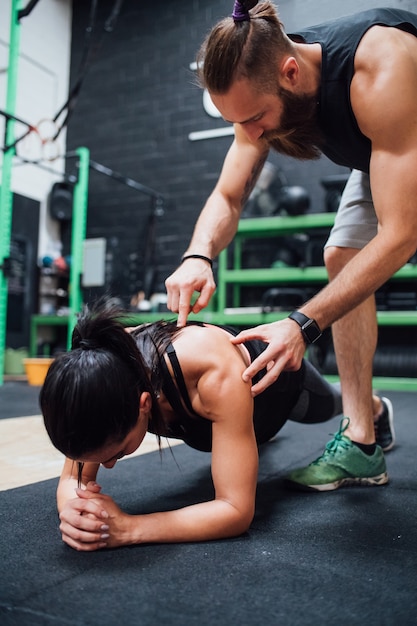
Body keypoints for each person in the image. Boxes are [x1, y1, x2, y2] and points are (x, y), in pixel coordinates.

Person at [164, 1, 415, 490]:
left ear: (291, 71)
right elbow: (229, 194)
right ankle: (363, 439)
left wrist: (301, 325)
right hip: (385, 155)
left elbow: (401, 234)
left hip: (406, 132)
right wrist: (198, 255)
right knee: (342, 253)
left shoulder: (379, 65)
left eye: (256, 118)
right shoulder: (259, 83)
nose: (253, 135)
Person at [40, 302, 388, 551]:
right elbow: (74, 478)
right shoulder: (100, 373)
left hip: (274, 392)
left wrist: (129, 529)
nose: (108, 465)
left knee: (336, 402)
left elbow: (235, 512)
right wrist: (75, 512)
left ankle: (372, 407)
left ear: (144, 404)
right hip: (220, 417)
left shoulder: (211, 371)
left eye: (116, 453)